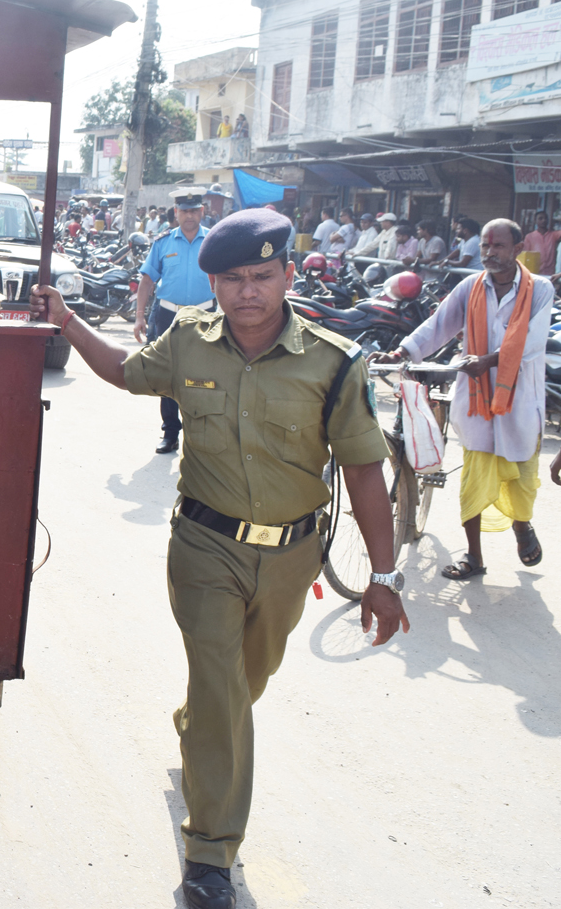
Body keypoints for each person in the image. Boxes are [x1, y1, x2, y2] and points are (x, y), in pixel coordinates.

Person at [30, 208, 407, 909]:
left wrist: (382, 580)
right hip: (205, 546)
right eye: (232, 278)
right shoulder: (187, 341)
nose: (248, 291)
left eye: (263, 275)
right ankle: (210, 855)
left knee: (243, 682)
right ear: (212, 282)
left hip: (293, 557)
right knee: (221, 683)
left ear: (289, 275)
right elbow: (125, 371)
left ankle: (198, 731)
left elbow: (362, 472)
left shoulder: (333, 361)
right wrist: (69, 321)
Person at [376, 218, 552, 578]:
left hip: (520, 400)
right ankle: (474, 557)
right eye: (485, 245)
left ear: (518, 250)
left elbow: (531, 343)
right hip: (475, 399)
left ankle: (522, 527)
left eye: (497, 246)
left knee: (520, 478)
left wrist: (487, 361)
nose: (489, 252)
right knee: (473, 478)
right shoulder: (471, 286)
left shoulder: (541, 289)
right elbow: (439, 325)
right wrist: (400, 353)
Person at [134, 188, 217, 455]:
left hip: (205, 315)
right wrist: (138, 318)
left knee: (204, 375)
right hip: (168, 315)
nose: (189, 215)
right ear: (176, 213)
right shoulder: (163, 243)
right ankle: (170, 433)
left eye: (194, 210)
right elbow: (147, 281)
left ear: (202, 212)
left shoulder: (214, 242)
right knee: (169, 376)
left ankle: (200, 434)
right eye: (184, 210)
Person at [522, 211, 560, 275]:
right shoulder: (530, 237)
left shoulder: (553, 235)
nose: (543, 220)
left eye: (545, 218)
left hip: (550, 273)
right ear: (535, 221)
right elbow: (526, 255)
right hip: (535, 272)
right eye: (540, 218)